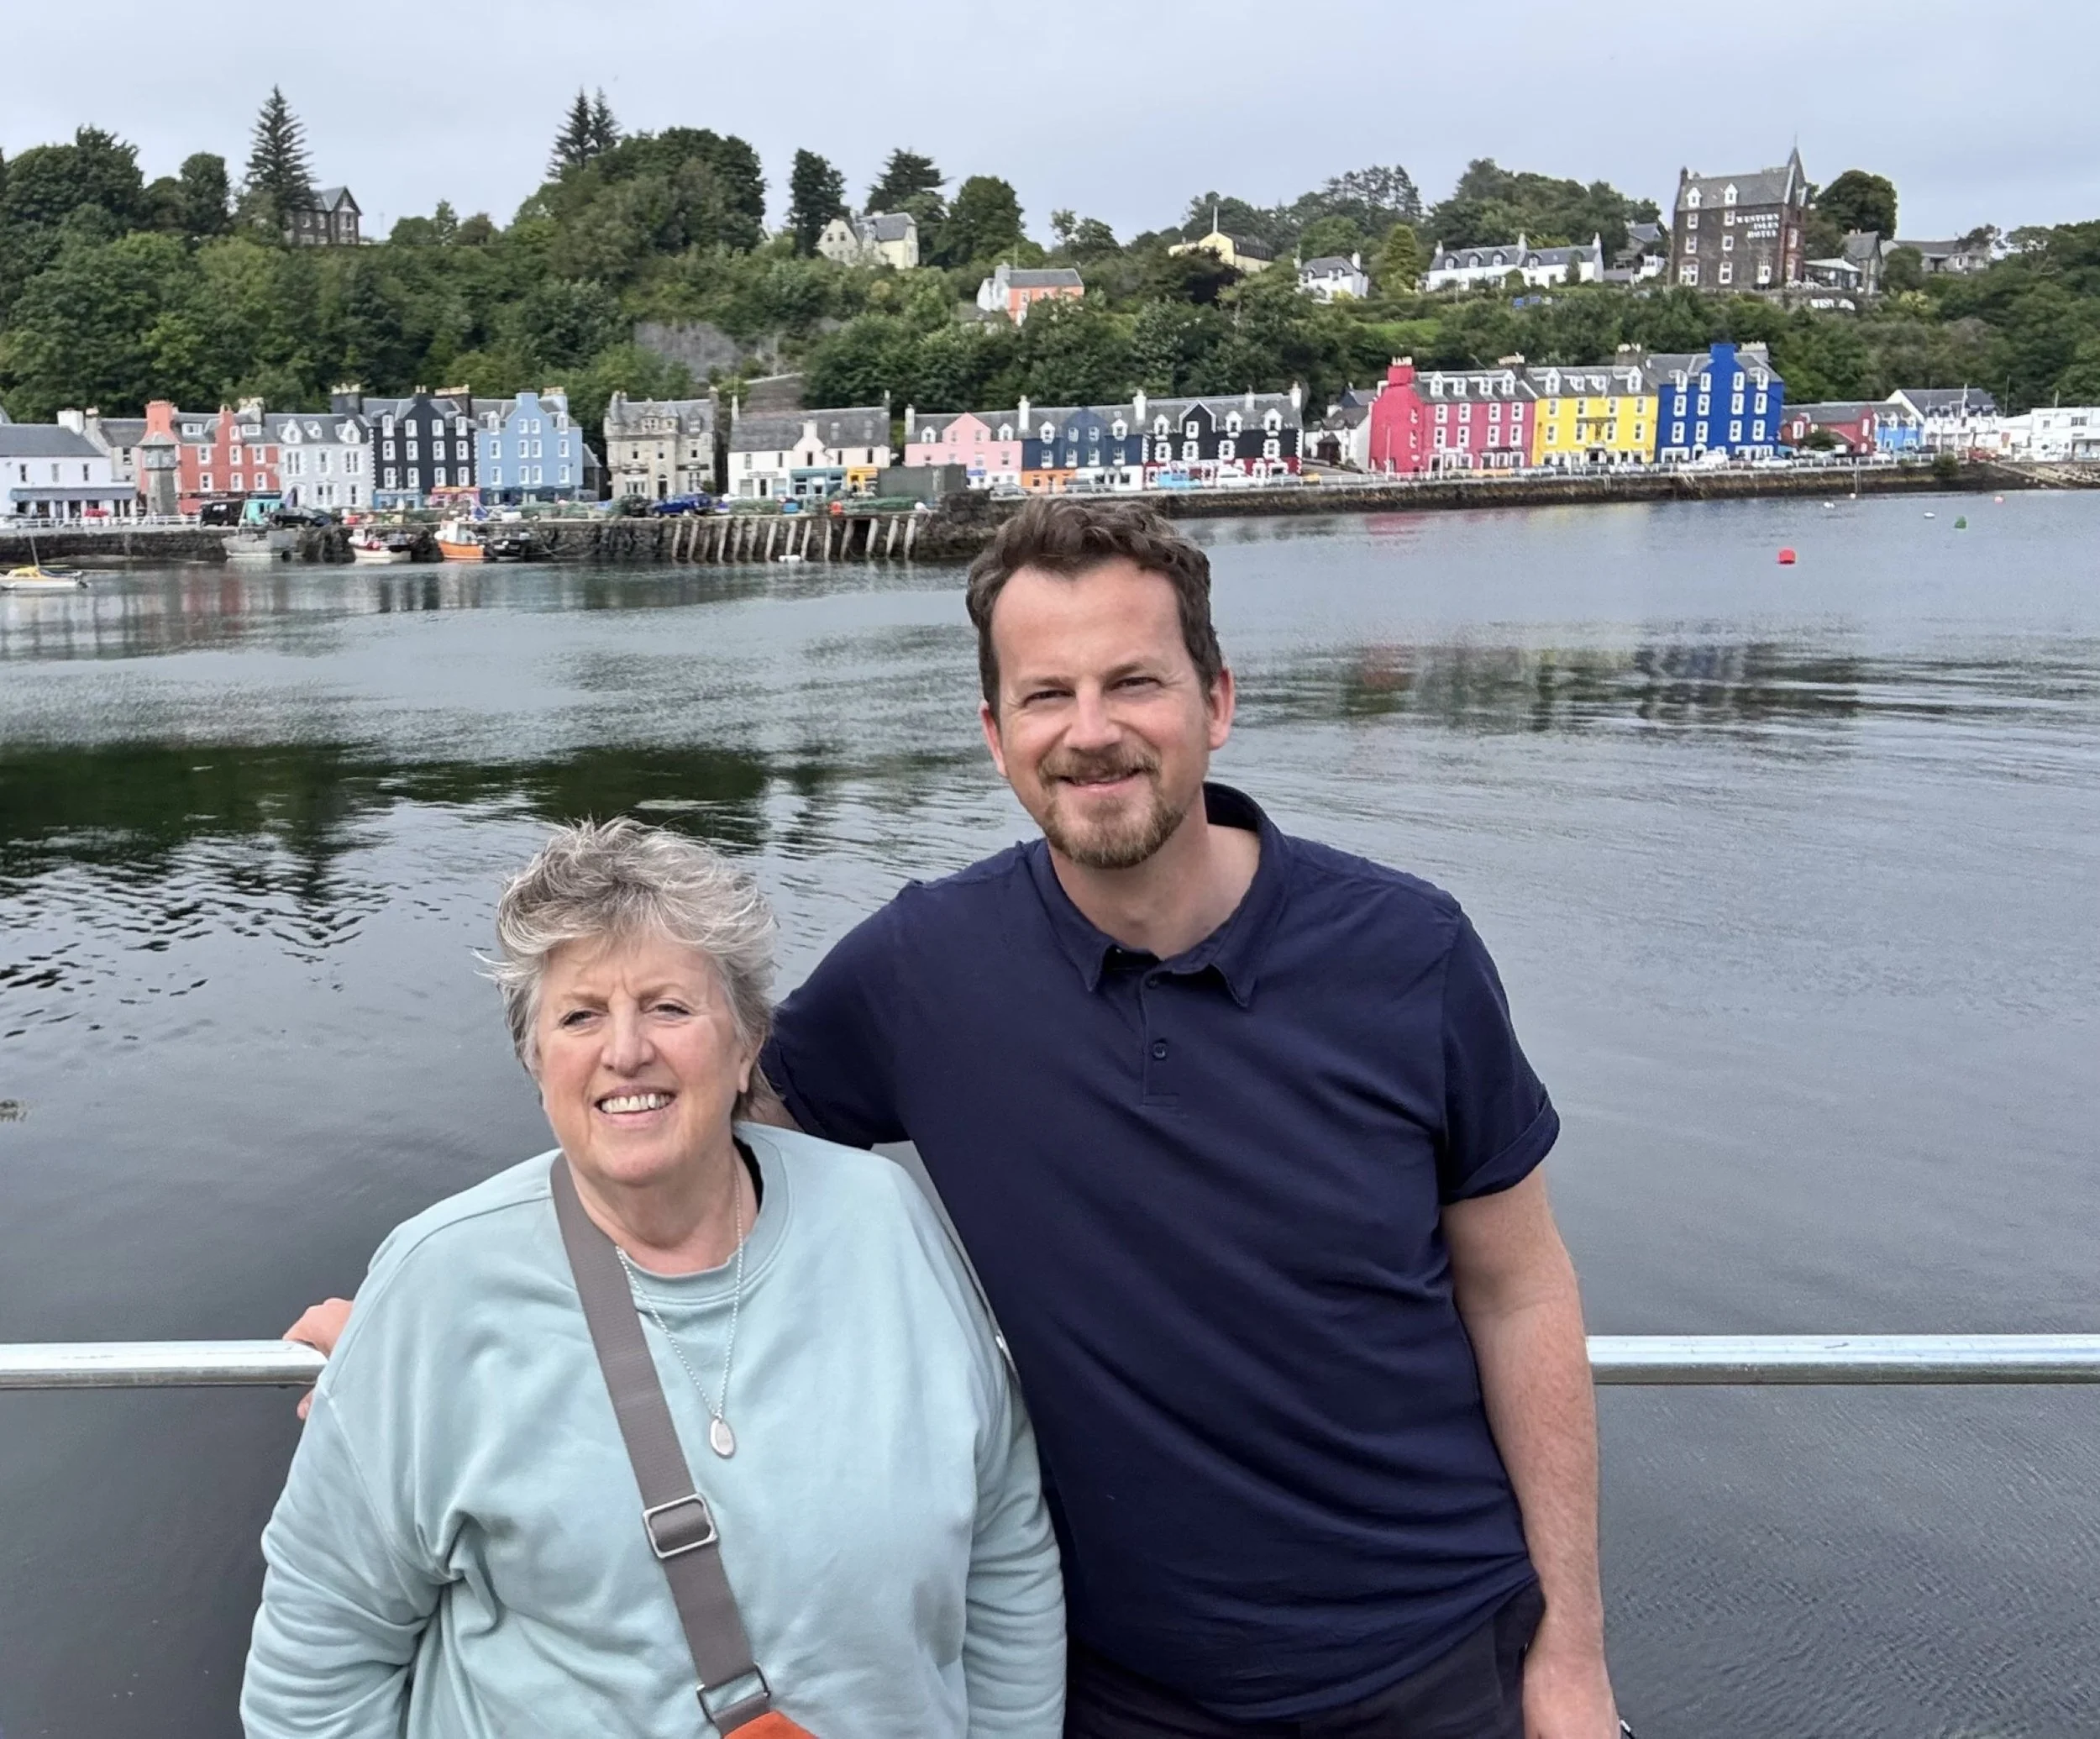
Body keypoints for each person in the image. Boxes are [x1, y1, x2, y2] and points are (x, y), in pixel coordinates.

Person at [292, 496, 1619, 1737]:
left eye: (1134, 682)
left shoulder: (1407, 951)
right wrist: (448, 1332)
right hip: (1117, 1684)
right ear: (995, 734)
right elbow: (677, 1127)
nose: (1090, 729)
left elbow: (1518, 1292)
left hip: (1431, 1656)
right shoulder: (924, 967)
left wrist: (1574, 1649)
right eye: (1046, 693)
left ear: (1216, 699)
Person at [248, 821, 1063, 1739]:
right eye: (580, 1014)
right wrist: (396, 1365)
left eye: (669, 1007)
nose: (625, 1050)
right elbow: (317, 1671)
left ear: (747, 1041)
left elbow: (1004, 1554)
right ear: (534, 1056)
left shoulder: (886, 1221)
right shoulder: (439, 1284)